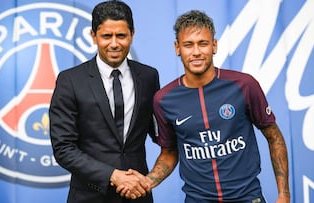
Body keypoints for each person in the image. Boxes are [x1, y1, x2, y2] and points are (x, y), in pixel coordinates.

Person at [124, 10, 290, 203]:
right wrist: (147, 181)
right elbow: (169, 153)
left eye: (202, 43)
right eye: (188, 45)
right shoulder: (164, 100)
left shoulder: (244, 85)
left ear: (214, 45)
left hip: (247, 197)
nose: (196, 52)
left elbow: (274, 136)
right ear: (177, 48)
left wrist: (284, 195)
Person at [49, 1, 159, 203]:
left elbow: (160, 132)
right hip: (89, 195)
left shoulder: (149, 76)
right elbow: (63, 148)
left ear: (132, 34)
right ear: (93, 36)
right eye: (107, 36)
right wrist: (113, 176)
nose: (114, 44)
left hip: (138, 195)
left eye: (121, 36)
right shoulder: (70, 80)